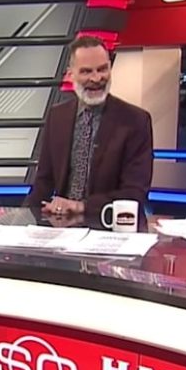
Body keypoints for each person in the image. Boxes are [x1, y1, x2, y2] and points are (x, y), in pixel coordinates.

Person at [25, 35, 154, 227]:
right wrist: (21, 222)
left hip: (112, 228)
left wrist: (81, 206)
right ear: (71, 75)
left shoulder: (135, 121)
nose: (96, 78)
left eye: (102, 69)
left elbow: (134, 193)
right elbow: (43, 183)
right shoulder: (57, 116)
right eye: (86, 71)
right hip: (62, 229)